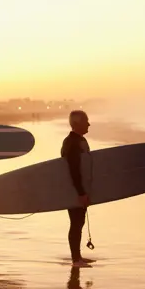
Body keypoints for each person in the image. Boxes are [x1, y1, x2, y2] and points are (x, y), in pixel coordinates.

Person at [61, 110, 92, 267]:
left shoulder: (75, 141)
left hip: (76, 189)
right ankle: (76, 260)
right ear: (77, 123)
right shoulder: (72, 143)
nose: (89, 124)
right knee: (76, 223)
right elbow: (73, 170)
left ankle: (77, 257)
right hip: (74, 190)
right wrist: (80, 192)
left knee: (78, 223)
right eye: (86, 121)